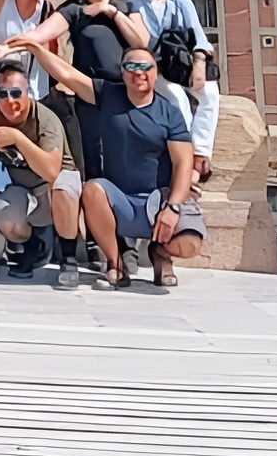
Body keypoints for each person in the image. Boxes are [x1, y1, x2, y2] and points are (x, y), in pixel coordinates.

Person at [21, 35, 204, 288]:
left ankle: (161, 254)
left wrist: (172, 208)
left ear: (155, 71)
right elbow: (68, 75)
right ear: (122, 71)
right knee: (92, 190)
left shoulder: (169, 112)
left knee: (190, 244)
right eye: (132, 66)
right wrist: (35, 47)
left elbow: (184, 163)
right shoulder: (108, 94)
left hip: (158, 201)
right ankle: (114, 262)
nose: (139, 73)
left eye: (145, 67)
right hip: (119, 202)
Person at [23, 0, 149, 181]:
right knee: (92, 157)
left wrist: (110, 12)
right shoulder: (73, 9)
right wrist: (8, 45)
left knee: (123, 152)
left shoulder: (125, 7)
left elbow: (141, 41)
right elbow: (38, 34)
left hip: (123, 91)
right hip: (89, 92)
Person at [0, 52, 83, 289]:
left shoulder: (46, 120)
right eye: (2, 94)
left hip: (52, 188)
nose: (10, 101)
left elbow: (51, 171)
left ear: (29, 93)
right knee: (5, 215)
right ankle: (35, 245)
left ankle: (68, 259)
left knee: (64, 187)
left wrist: (17, 138)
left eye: (16, 93)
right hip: (23, 189)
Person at [126, 0, 219, 181]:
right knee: (177, 98)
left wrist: (199, 62)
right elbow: (142, 43)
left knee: (210, 92)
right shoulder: (133, 6)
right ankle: (185, 156)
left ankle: (200, 153)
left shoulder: (182, 2)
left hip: (181, 65)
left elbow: (200, 38)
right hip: (156, 69)